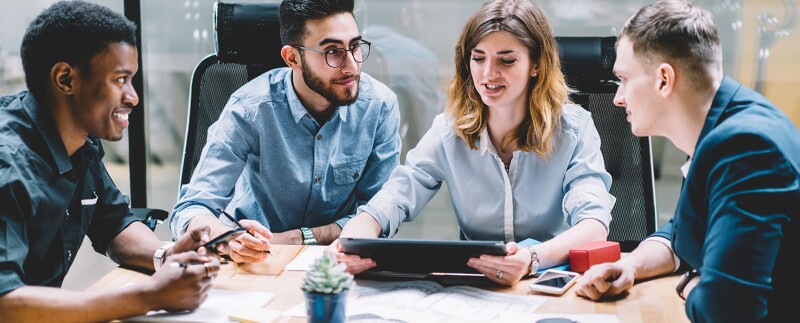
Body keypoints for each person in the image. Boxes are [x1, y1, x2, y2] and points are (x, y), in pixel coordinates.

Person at [330, 0, 615, 286]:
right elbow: (392, 199)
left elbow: (594, 225)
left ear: (536, 65)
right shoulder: (449, 130)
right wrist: (350, 243)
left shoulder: (574, 129)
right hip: (476, 287)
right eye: (478, 58)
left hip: (550, 282)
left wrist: (530, 258)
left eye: (506, 60)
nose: (488, 74)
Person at [574, 1, 800, 321]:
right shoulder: (720, 124)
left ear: (664, 79)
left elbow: (724, 312)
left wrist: (690, 283)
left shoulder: (746, 149)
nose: (617, 97)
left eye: (624, 79)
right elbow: (685, 227)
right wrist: (631, 265)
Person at [0, 2, 221, 322]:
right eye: (120, 79)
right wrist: (150, 295)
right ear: (65, 79)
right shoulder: (8, 166)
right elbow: (4, 302)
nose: (134, 97)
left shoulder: (79, 141)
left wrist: (168, 255)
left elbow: (114, 223)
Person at [170, 0, 400, 263]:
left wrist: (299, 238)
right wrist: (226, 238)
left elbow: (379, 213)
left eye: (356, 47)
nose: (352, 65)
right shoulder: (249, 109)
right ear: (293, 58)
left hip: (335, 261)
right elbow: (191, 208)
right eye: (333, 51)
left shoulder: (379, 106)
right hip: (253, 261)